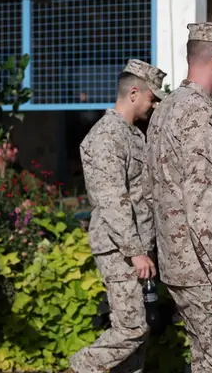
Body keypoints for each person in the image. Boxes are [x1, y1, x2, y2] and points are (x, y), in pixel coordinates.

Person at [145, 22, 212, 372]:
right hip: (209, 276)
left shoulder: (165, 108)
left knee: (207, 365)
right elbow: (206, 204)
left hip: (183, 269)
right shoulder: (199, 114)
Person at [69, 59, 166, 373]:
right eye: (152, 98)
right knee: (131, 328)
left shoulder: (132, 134)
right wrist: (136, 252)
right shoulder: (107, 137)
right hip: (119, 248)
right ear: (134, 93)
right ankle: (82, 367)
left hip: (135, 246)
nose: (153, 106)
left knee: (141, 335)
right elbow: (112, 200)